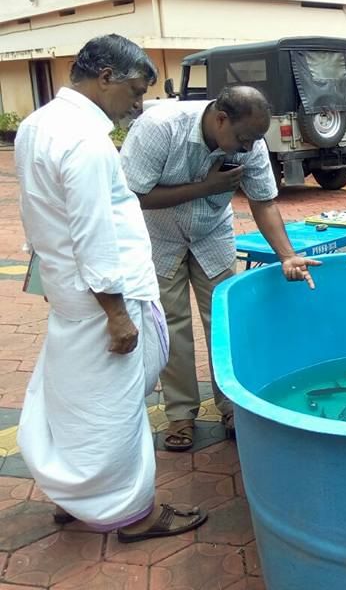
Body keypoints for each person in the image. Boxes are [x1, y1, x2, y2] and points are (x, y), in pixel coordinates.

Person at [15, 34, 207, 542]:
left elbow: (40, 219)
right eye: (137, 92)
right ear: (106, 77)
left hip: (69, 295)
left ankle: (75, 500)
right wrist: (117, 314)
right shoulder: (85, 140)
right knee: (113, 413)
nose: (138, 106)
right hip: (104, 302)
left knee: (74, 403)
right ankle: (134, 514)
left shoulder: (39, 125)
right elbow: (94, 233)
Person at [121, 84, 318, 452]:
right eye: (243, 139)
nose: (247, 148)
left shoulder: (252, 143)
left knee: (224, 324)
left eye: (254, 141)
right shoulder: (160, 127)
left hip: (212, 234)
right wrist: (203, 187)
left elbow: (264, 201)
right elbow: (133, 196)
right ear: (221, 119)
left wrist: (287, 255)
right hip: (159, 237)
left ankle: (230, 406)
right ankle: (180, 413)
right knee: (172, 326)